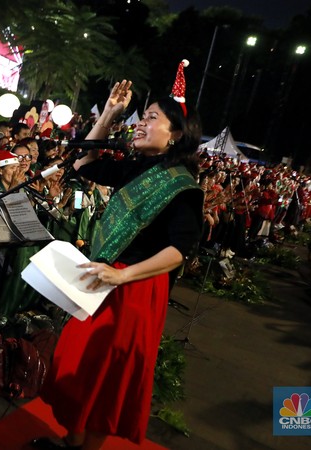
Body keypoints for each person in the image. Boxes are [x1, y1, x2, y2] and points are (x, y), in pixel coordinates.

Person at [35, 80, 204, 450]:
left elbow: (179, 250)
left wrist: (124, 274)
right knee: (75, 364)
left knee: (108, 375)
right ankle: (73, 440)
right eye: (142, 116)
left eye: (152, 117)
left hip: (135, 289)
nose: (141, 123)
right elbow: (83, 162)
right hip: (104, 278)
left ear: (175, 134)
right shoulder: (136, 166)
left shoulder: (180, 186)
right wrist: (109, 115)